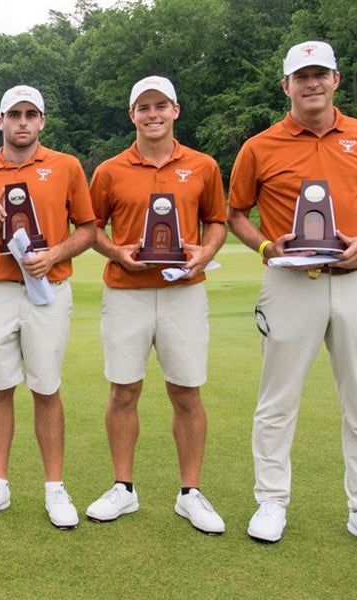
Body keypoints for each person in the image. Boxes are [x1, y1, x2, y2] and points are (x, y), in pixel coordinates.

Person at [227, 41, 357, 555]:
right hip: (290, 284)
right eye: (300, 76)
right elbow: (236, 212)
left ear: (336, 79)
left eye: (319, 74)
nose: (311, 84)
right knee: (276, 402)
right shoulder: (259, 146)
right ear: (286, 85)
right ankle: (272, 501)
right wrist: (264, 244)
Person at [86, 76, 227, 534]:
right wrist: (115, 252)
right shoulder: (109, 170)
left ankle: (191, 492)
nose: (152, 114)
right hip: (126, 290)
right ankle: (123, 489)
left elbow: (217, 222)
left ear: (175, 110)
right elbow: (93, 228)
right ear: (132, 115)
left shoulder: (203, 166)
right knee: (123, 391)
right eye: (143, 107)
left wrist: (205, 252)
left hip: (184, 291)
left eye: (160, 105)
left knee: (186, 392)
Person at [0, 85, 94, 528]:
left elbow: (87, 228)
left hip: (47, 286)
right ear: (0, 121)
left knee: (47, 388)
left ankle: (55, 488)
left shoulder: (65, 166)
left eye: (31, 114)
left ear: (42, 122)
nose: (23, 122)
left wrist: (55, 254)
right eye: (15, 114)